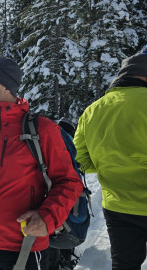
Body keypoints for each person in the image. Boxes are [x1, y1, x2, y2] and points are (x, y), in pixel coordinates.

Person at [0, 57, 84, 270]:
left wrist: (47, 217)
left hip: (26, 246)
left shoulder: (42, 130)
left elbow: (69, 182)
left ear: (7, 87)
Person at [73, 52, 147, 270]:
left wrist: (109, 164)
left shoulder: (92, 110)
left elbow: (80, 160)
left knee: (124, 264)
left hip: (117, 204)